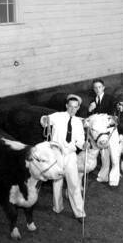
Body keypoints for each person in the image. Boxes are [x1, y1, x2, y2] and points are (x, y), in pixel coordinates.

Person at [40, 94, 86, 222]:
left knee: (74, 183)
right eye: (70, 106)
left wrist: (84, 144)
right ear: (66, 106)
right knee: (57, 181)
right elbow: (44, 120)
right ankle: (57, 207)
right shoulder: (57, 116)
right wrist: (45, 120)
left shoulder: (78, 122)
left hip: (71, 155)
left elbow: (80, 141)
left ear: (78, 108)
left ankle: (79, 212)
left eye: (75, 107)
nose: (72, 109)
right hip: (57, 154)